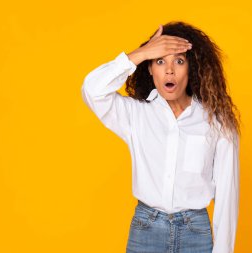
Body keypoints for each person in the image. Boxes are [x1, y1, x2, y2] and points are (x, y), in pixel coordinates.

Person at [81, 21, 241, 253]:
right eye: (159, 60)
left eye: (178, 61)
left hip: (195, 233)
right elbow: (92, 89)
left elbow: (227, 197)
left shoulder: (217, 122)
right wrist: (141, 53)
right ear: (149, 68)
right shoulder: (136, 114)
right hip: (146, 230)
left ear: (191, 67)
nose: (169, 70)